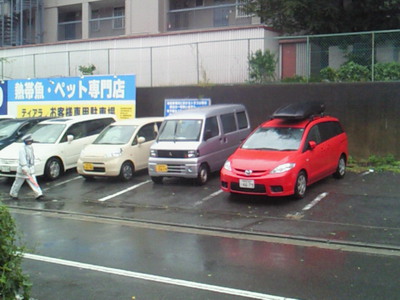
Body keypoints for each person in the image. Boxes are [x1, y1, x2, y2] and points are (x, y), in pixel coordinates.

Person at [10, 134, 44, 200]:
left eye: (30, 141)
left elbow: (31, 156)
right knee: (18, 183)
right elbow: (22, 158)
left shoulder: (30, 147)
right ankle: (13, 194)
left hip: (30, 169)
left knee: (33, 182)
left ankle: (39, 194)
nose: (29, 142)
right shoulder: (22, 148)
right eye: (28, 141)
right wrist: (24, 166)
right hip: (23, 169)